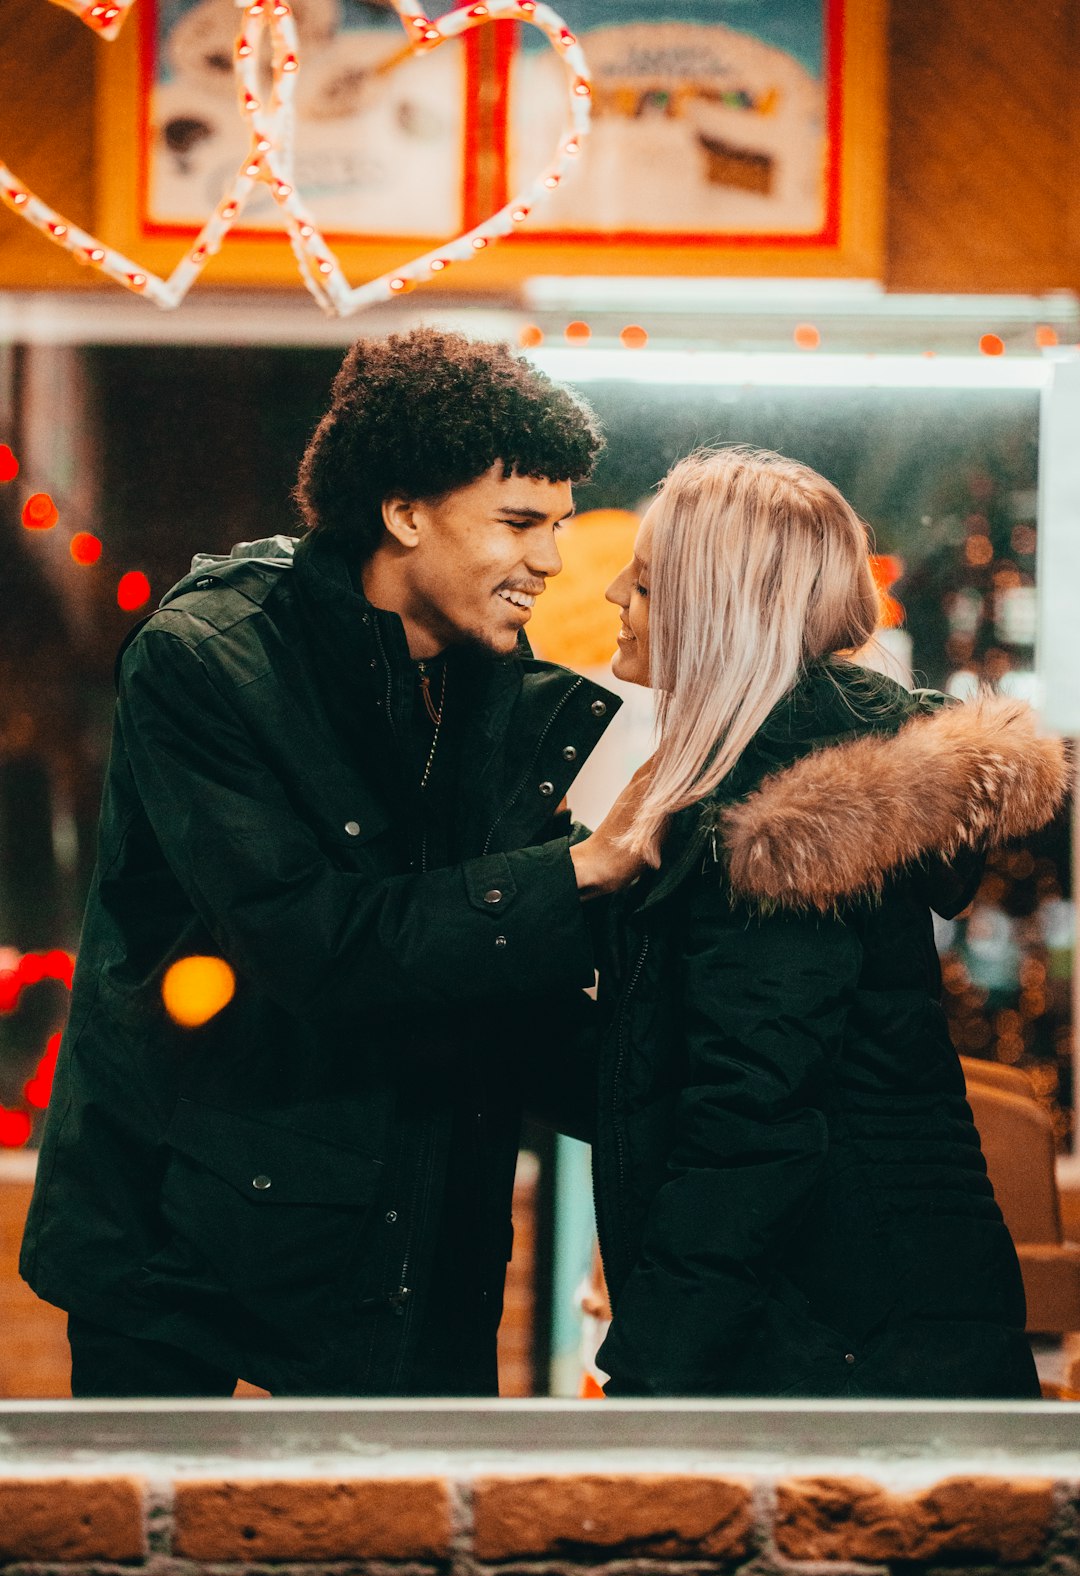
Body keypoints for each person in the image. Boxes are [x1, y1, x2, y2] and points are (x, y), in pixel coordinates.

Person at [20, 327, 644, 1398]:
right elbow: (304, 941)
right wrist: (577, 874)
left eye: (562, 525)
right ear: (405, 511)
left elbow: (498, 992)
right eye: (520, 522)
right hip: (179, 1247)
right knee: (158, 1557)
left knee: (398, 1564)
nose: (551, 559)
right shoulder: (209, 658)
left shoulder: (502, 688)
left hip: (413, 1247)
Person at [583, 446, 1067, 1398]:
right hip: (891, 1310)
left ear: (712, 606)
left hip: (834, 1327)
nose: (610, 594)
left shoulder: (779, 812)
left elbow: (753, 1116)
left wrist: (653, 1363)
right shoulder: (809, 770)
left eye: (641, 580)